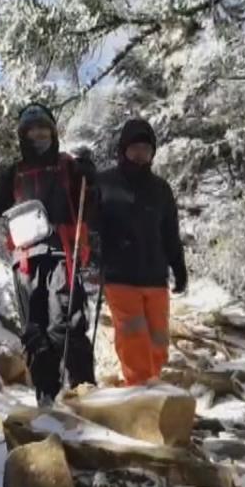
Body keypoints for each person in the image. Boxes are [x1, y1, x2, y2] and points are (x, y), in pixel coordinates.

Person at [0, 103, 98, 406]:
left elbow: (91, 207)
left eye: (43, 128)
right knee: (35, 331)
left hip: (62, 254)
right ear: (23, 135)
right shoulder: (13, 173)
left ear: (52, 132)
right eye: (32, 129)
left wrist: (90, 179)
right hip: (26, 262)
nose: (38, 134)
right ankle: (46, 397)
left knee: (67, 322)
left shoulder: (69, 165)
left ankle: (84, 391)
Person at [95, 118, 187, 386]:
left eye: (146, 149)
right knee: (133, 336)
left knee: (158, 337)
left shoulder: (161, 189)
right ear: (123, 149)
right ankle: (138, 388)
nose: (140, 153)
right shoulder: (104, 183)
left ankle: (152, 383)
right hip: (119, 275)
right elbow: (87, 220)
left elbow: (170, 232)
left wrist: (178, 268)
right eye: (134, 148)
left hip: (155, 276)